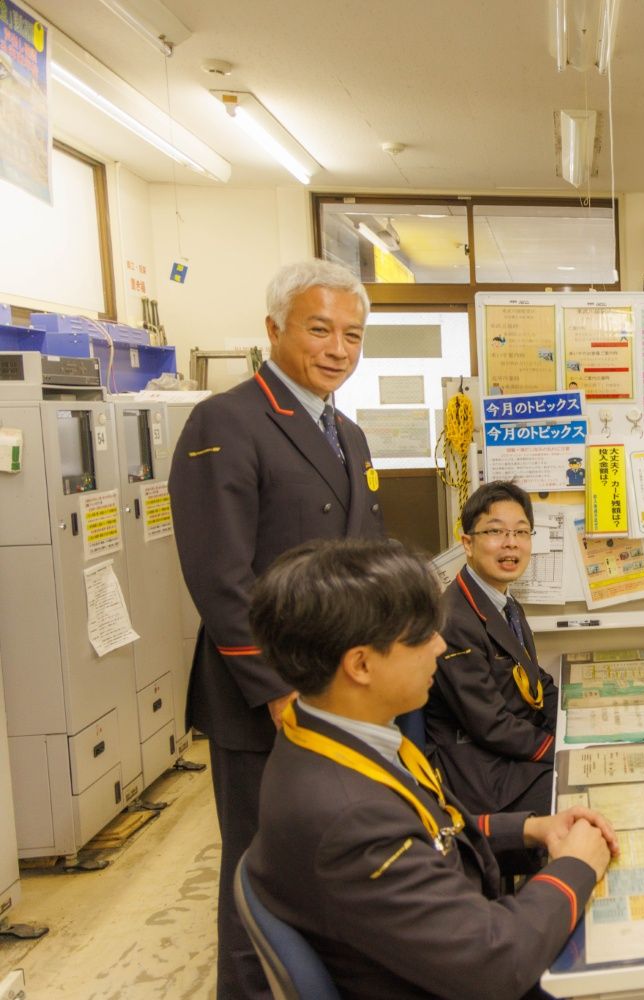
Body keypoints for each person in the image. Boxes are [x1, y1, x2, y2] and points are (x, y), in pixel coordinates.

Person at [243, 538, 615, 999]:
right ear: (360, 664)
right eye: (421, 635)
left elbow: (431, 828)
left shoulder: (326, 733)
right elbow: (496, 964)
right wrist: (575, 867)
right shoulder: (349, 819)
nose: (440, 645)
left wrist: (530, 829)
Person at [170, 259, 382, 999]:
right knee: (257, 874)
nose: (337, 348)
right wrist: (275, 690)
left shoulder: (347, 435)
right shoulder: (225, 421)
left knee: (321, 864)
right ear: (273, 330)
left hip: (337, 693)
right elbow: (219, 577)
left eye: (352, 335)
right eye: (319, 329)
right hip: (266, 698)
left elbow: (363, 561)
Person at [425, 480, 558, 817]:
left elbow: (534, 680)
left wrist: (576, 721)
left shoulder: (503, 602)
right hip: (483, 774)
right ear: (467, 543)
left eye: (522, 532)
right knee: (580, 789)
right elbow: (491, 725)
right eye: (496, 532)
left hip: (508, 754)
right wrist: (559, 748)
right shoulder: (454, 618)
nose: (511, 544)